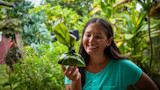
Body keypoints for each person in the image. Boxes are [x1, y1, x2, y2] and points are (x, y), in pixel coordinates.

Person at [61, 17, 158, 90]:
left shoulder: (123, 67)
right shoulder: (73, 68)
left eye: (98, 37)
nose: (91, 40)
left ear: (109, 41)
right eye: (88, 35)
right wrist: (76, 80)